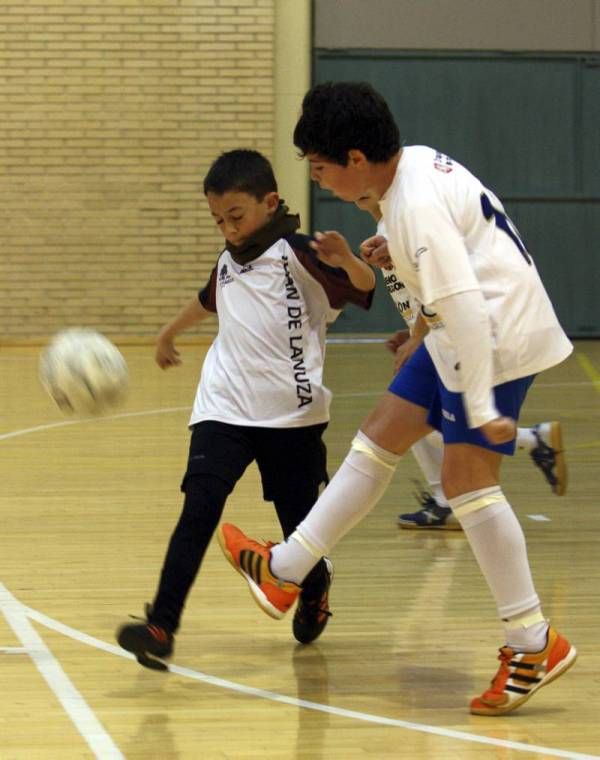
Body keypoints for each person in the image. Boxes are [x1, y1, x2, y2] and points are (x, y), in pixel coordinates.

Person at [217, 83, 577, 716]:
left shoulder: (412, 208)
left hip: (490, 336)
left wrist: (484, 406)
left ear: (355, 158)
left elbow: (463, 298)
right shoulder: (409, 176)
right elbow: (451, 264)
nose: (320, 181)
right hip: (461, 328)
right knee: (380, 433)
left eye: (321, 167)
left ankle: (532, 642)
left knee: (467, 482)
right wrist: (408, 299)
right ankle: (285, 570)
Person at [116, 148, 375, 669]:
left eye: (235, 216)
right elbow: (208, 298)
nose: (228, 230)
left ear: (270, 202)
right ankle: (161, 625)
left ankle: (315, 587)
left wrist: (347, 259)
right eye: (218, 220)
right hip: (224, 407)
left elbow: (365, 288)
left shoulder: (302, 253)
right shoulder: (228, 260)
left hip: (291, 418)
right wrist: (169, 332)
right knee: (198, 509)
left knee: (300, 526)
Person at [355, 195, 567, 530]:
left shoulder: (411, 215)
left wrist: (418, 338)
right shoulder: (386, 227)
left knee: (419, 421)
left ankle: (449, 501)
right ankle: (530, 442)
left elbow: (438, 288)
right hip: (436, 334)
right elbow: (418, 296)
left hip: (467, 336)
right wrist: (412, 332)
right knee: (423, 420)